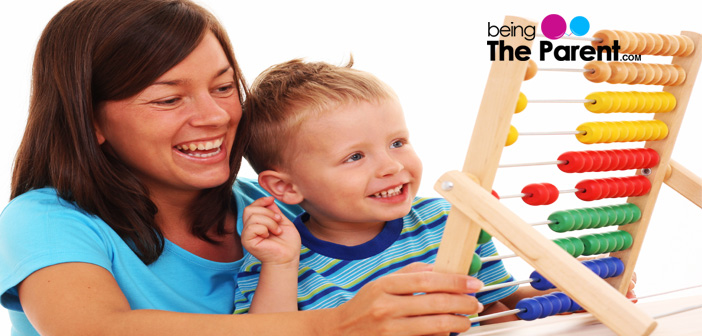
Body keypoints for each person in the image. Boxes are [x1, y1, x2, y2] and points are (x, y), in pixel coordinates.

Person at [0, 0, 485, 335]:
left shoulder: (280, 209)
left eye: (225, 86)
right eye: (169, 98)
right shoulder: (45, 220)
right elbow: (96, 330)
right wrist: (332, 327)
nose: (214, 116)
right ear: (90, 121)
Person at [233, 59, 517, 318]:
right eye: (355, 157)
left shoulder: (446, 221)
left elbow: (494, 308)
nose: (391, 166)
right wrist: (281, 266)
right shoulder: (274, 261)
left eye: (397, 143)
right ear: (285, 187)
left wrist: (556, 293)